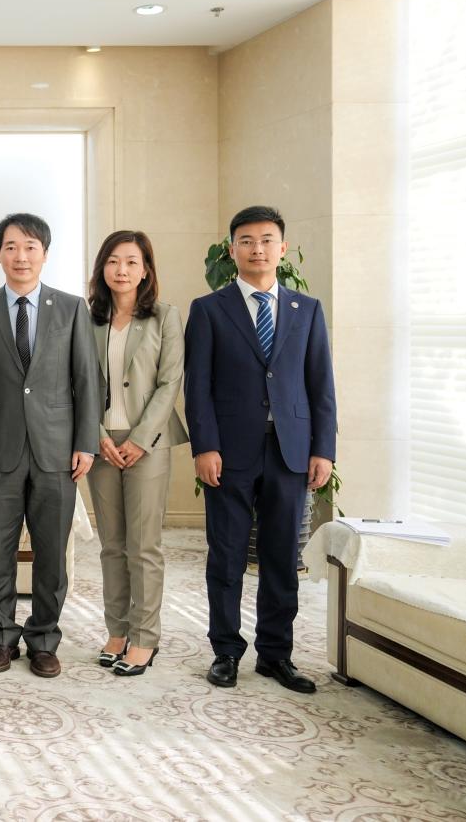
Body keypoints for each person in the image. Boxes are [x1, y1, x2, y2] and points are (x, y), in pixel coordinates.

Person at [185, 205, 336, 693]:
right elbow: (198, 386)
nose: (257, 249)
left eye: (267, 240)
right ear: (232, 250)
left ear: (282, 248)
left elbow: (321, 386)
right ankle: (226, 651)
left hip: (292, 451)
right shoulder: (209, 309)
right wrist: (205, 445)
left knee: (279, 557)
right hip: (229, 452)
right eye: (246, 241)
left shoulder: (307, 309)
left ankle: (276, 654)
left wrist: (323, 450)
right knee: (226, 555)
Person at [0, 212, 100, 679]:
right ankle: (0, 636)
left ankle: (43, 639)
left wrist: (85, 441)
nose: (21, 256)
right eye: (12, 247)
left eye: (31, 247)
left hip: (58, 452)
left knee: (51, 554)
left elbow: (86, 381)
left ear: (44, 253)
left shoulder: (72, 307)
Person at [84, 230, 188, 677]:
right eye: (112, 261)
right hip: (100, 441)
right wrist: (96, 434)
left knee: (143, 546)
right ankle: (117, 630)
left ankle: (145, 638)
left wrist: (139, 439)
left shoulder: (166, 316)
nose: (121, 270)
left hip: (149, 442)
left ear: (145, 269)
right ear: (101, 268)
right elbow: (76, 384)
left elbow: (170, 383)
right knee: (111, 545)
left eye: (130, 261)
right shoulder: (85, 318)